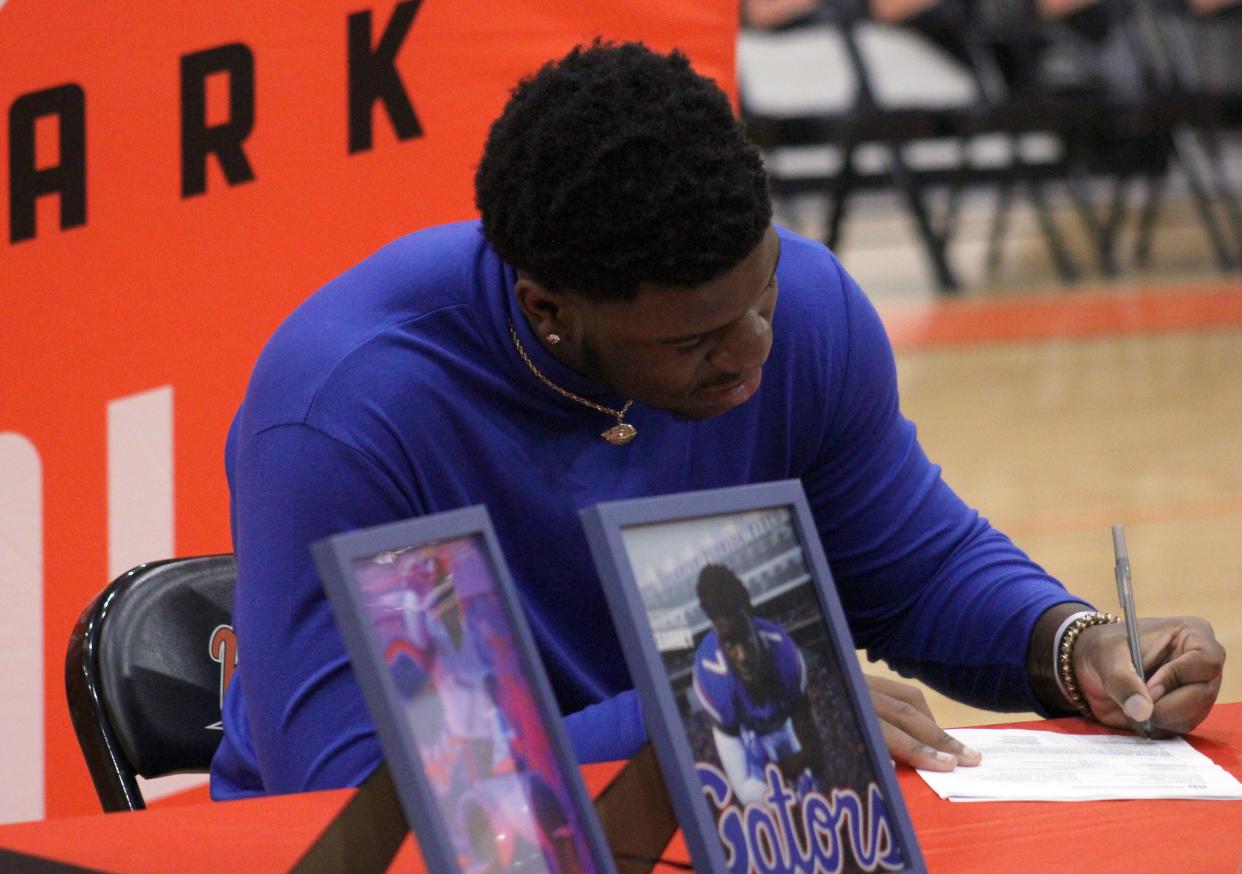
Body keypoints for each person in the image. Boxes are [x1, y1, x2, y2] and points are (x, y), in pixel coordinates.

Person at [210, 40, 1224, 800]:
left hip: (717, 821)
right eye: (694, 341)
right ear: (549, 311)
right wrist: (713, 717)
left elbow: (913, 571)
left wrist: (1069, 642)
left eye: (762, 293)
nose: (752, 350)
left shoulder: (811, 310)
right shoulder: (349, 412)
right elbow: (353, 779)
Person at [692, 564, 825, 805]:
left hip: (781, 723)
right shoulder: (711, 677)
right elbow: (745, 784)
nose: (741, 655)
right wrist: (775, 775)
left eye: (744, 637)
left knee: (815, 786)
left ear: (752, 623)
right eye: (730, 643)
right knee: (757, 800)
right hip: (747, 734)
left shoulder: (784, 652)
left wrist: (796, 770)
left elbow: (812, 750)